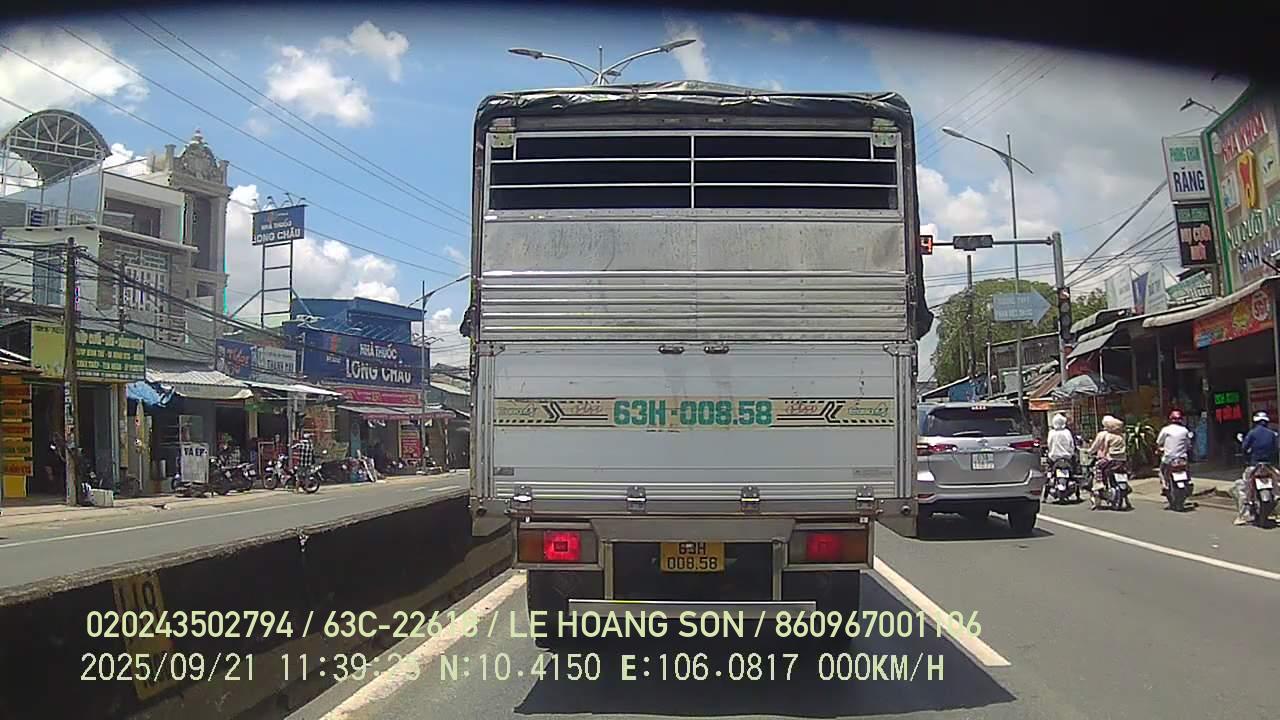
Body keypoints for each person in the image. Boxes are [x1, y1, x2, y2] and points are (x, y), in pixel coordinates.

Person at [1237, 412, 1278, 525]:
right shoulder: (1272, 434)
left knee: (1243, 489)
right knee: (1276, 488)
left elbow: (1244, 447)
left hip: (1254, 465)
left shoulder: (1252, 433)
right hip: (1269, 466)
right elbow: (1276, 449)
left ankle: (1243, 516)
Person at [1088, 415, 1127, 509]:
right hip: (1122, 460)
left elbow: (1095, 447)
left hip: (1109, 459)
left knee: (1097, 466)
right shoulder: (1122, 436)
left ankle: (1099, 484)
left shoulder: (1105, 435)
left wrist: (1089, 451)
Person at [1156, 410, 1194, 502]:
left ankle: (1165, 485)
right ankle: (1189, 481)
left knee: (1161, 471)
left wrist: (1159, 449)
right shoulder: (1185, 430)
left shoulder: (1166, 430)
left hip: (1169, 458)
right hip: (1182, 458)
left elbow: (1159, 442)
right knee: (1187, 469)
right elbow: (1189, 444)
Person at [1043, 413, 1077, 499]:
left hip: (1054, 458)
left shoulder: (1051, 433)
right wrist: (1071, 453)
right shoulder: (1067, 432)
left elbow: (1049, 444)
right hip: (1067, 457)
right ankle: (1078, 494)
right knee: (1074, 473)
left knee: (1049, 474)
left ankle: (1045, 496)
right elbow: (1071, 445)